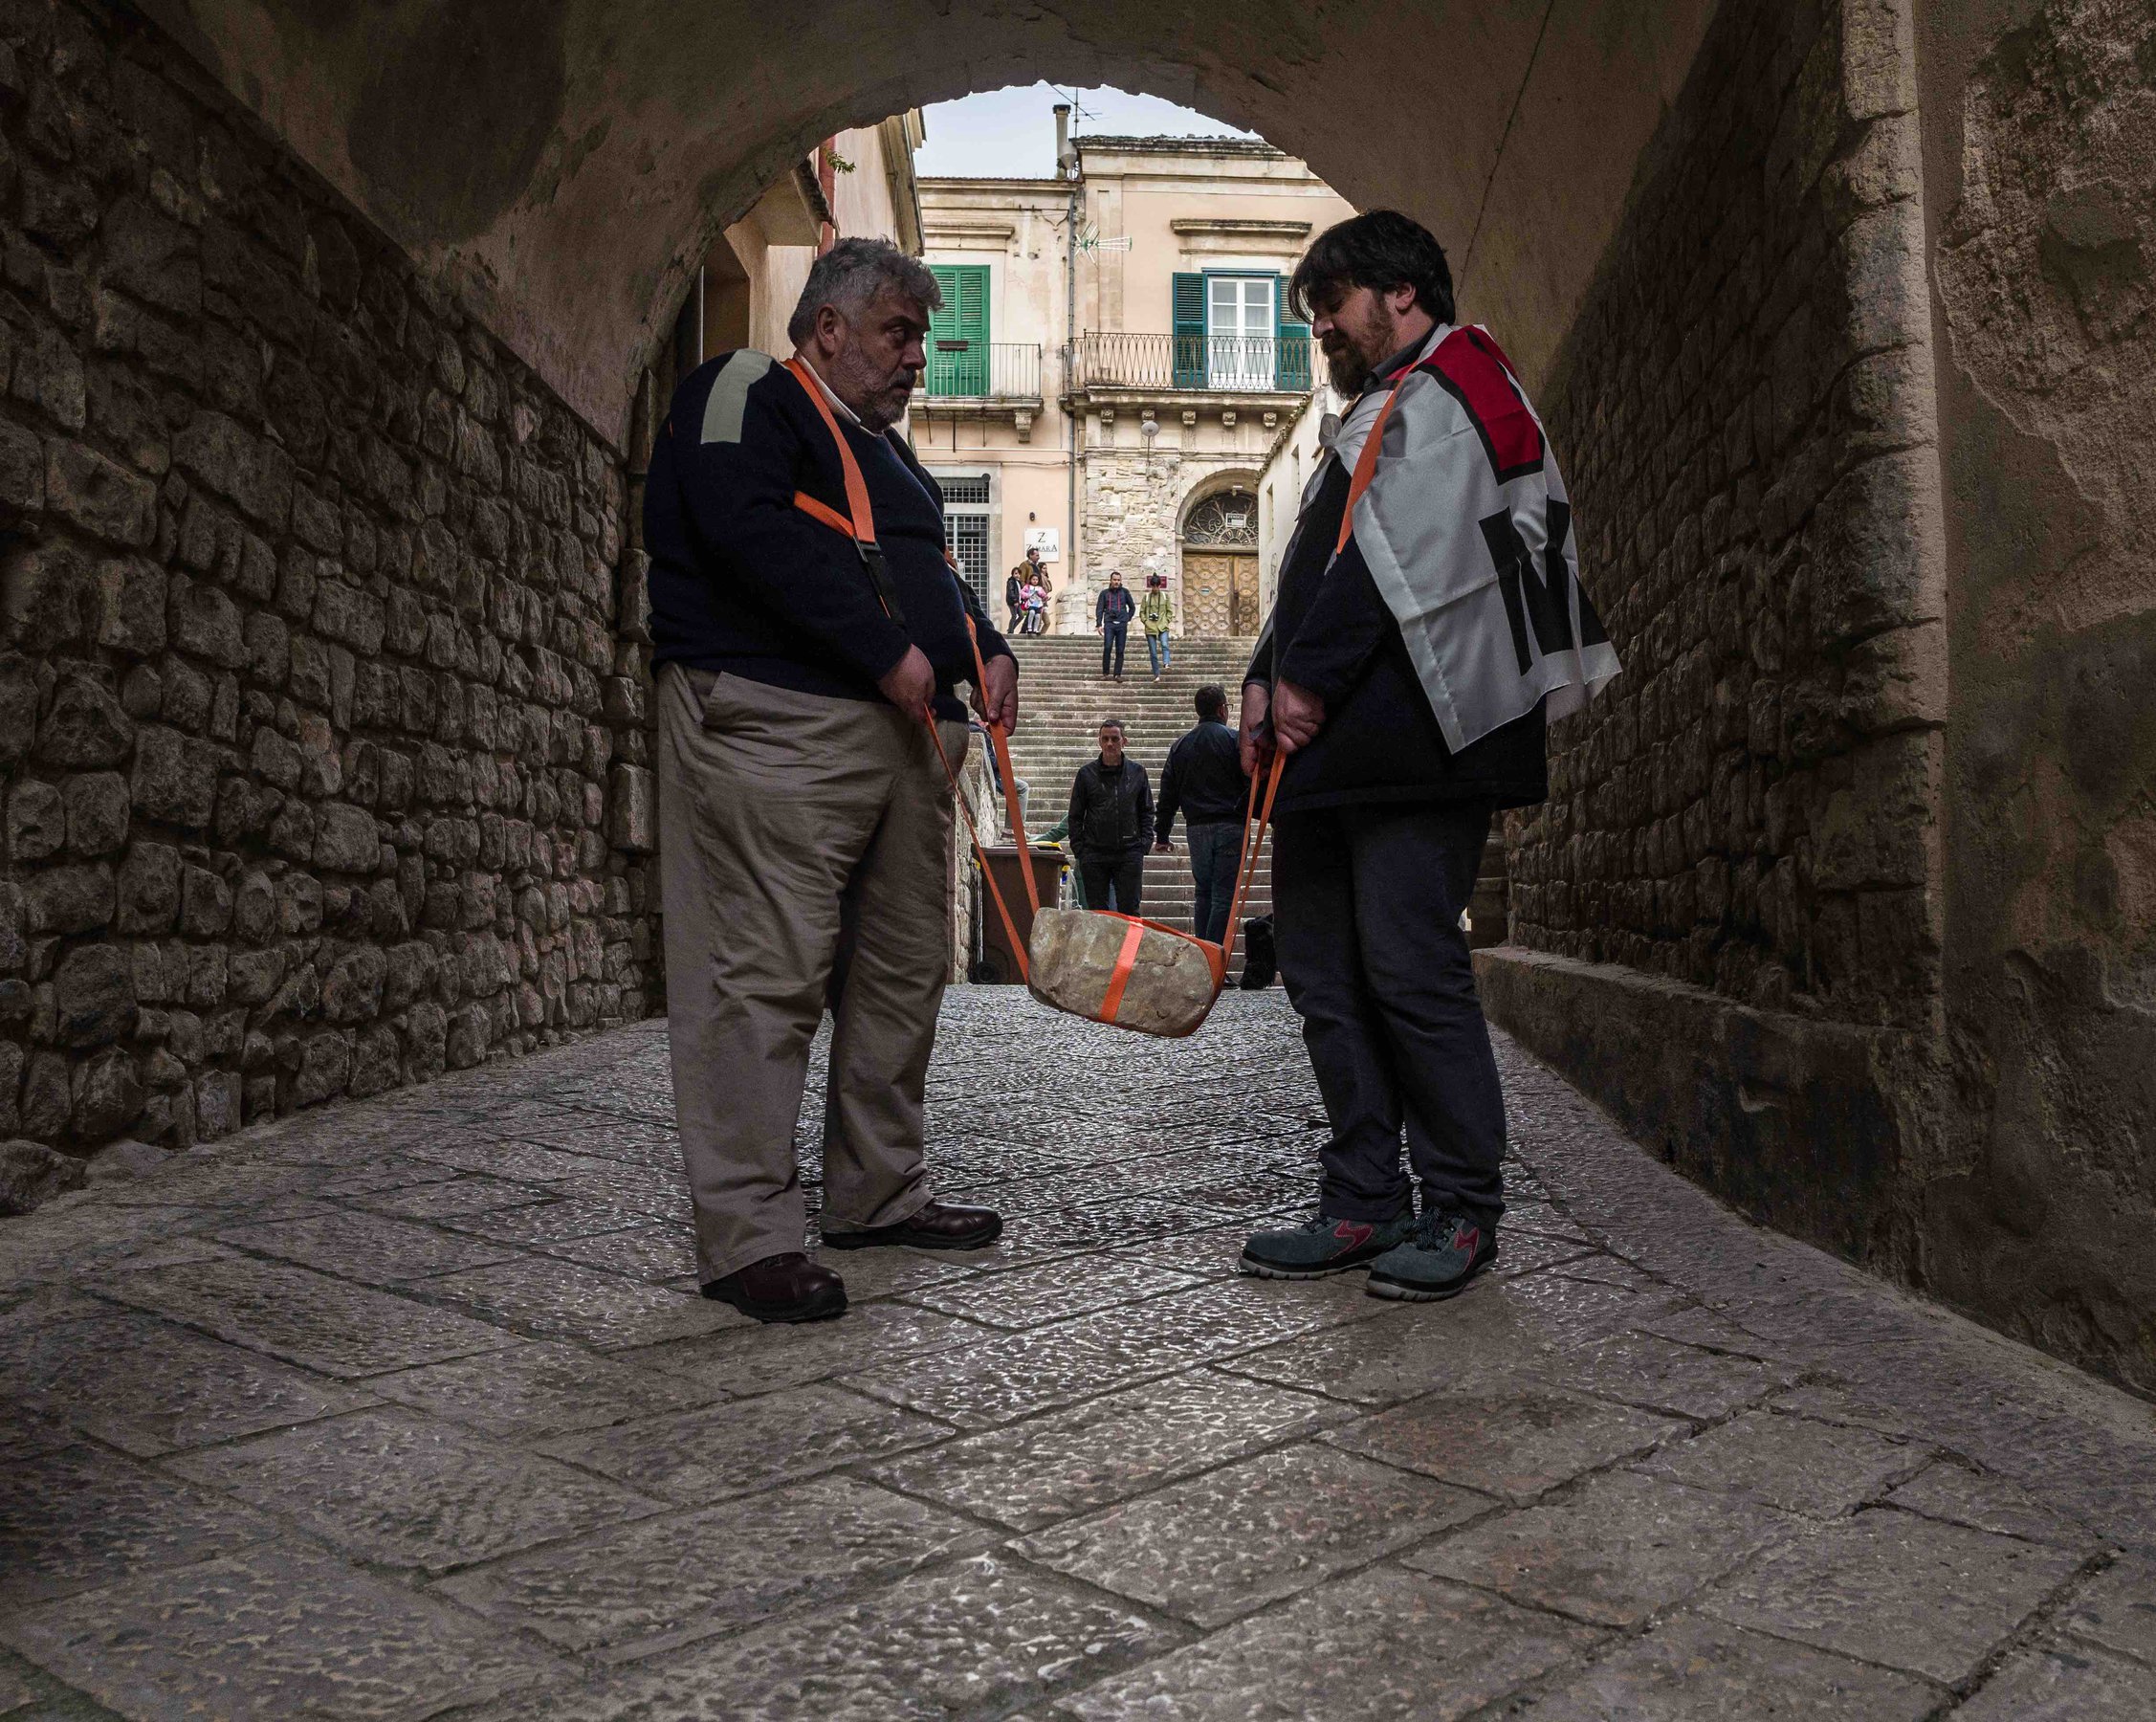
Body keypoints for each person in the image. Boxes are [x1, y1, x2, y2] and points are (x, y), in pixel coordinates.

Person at [1236, 210, 1619, 1303]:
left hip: (1419, 739)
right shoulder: (1378, 406)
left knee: (1408, 968)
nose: (1322, 329)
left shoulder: (1459, 385)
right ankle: (1361, 1197)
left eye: (1332, 304)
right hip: (1330, 745)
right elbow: (1321, 560)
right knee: (1322, 972)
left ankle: (1461, 1208)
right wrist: (1267, 677)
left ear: (1399, 292)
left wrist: (1302, 679)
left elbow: (1405, 556)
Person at [644, 237, 1020, 1325]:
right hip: (773, 718)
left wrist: (982, 645)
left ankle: (875, 1192)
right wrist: (880, 648)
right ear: (828, 329)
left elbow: (921, 575)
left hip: (900, 739)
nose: (919, 360)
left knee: (901, 974)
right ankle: (749, 1236)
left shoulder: (891, 460)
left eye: (923, 339)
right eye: (901, 334)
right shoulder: (742, 390)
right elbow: (737, 524)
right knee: (760, 973)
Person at [1154, 684, 1250, 944]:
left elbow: (1168, 793)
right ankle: (1215, 958)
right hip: (1230, 824)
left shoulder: (1181, 746)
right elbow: (1249, 780)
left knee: (1203, 893)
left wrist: (1162, 833)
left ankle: (1203, 957)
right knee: (1223, 897)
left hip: (1196, 827)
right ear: (1222, 710)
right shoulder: (1233, 740)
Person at [1066, 717, 1153, 915]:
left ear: (1124, 741)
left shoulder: (1138, 772)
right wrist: (1080, 849)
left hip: (1129, 852)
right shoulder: (1086, 774)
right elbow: (1076, 814)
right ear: (1099, 741)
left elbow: (1146, 810)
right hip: (1094, 854)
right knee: (1098, 915)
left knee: (1131, 912)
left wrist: (1144, 843)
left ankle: (1130, 947)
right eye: (1105, 739)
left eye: (1114, 739)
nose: (1110, 744)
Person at [1095, 570, 1135, 680]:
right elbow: (1099, 609)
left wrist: (1127, 618)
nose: (1117, 582)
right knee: (1107, 647)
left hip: (1121, 624)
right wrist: (1099, 624)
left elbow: (1132, 607)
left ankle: (1117, 674)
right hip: (1109, 624)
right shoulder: (1104, 593)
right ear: (1111, 580)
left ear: (1120, 581)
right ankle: (1105, 673)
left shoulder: (1125, 592)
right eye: (1115, 580)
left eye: (1118, 580)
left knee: (1120, 649)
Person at [1140, 573, 1176, 682]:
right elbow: (1142, 612)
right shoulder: (1146, 597)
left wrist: (1167, 620)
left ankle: (1166, 663)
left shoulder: (1165, 596)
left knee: (1165, 644)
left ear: (1160, 586)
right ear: (1151, 586)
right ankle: (1156, 674)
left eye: (1157, 586)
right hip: (1150, 627)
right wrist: (1146, 621)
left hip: (1162, 626)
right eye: (1153, 586)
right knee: (1153, 652)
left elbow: (1170, 611)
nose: (1155, 588)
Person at [1004, 563, 1025, 633]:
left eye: (1019, 573)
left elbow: (1020, 592)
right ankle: (1010, 631)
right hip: (1012, 602)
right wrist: (1015, 601)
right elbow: (1011, 592)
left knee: (1021, 616)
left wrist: (1021, 600)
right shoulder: (1011, 581)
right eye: (1016, 573)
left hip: (1018, 602)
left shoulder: (1018, 582)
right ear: (1012, 574)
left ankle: (1011, 628)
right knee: (1014, 615)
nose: (1017, 575)